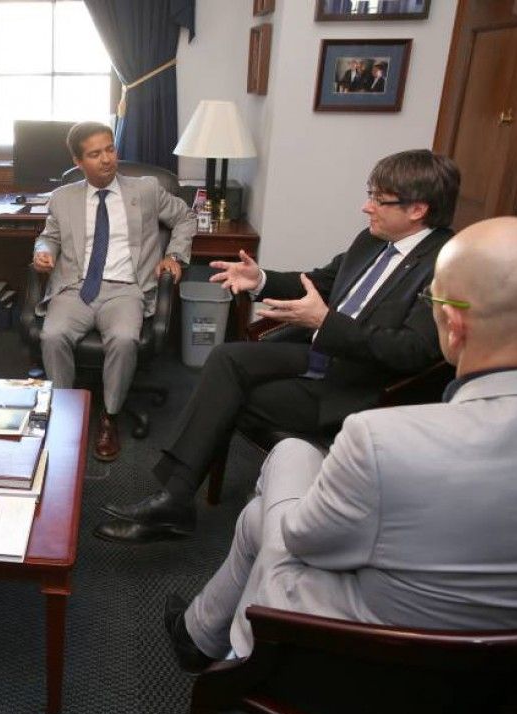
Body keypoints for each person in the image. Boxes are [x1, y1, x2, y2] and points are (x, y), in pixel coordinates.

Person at [164, 217, 517, 673]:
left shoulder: (383, 440)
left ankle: (229, 660)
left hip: (381, 665)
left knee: (289, 465)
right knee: (263, 502)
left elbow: (302, 540)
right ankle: (198, 633)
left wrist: (297, 461)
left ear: (454, 323)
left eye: (434, 301)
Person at [97, 149, 460, 543]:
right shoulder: (373, 241)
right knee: (225, 358)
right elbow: (319, 280)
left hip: (357, 384)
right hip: (320, 353)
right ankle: (175, 499)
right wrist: (261, 279)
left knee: (226, 394)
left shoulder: (448, 263)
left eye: (378, 198)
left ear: (417, 210)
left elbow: (413, 351)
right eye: (369, 193)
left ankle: (174, 502)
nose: (366, 206)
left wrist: (326, 323)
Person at [33, 121, 194, 461]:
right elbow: (49, 235)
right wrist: (42, 252)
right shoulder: (63, 198)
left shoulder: (146, 190)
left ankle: (110, 415)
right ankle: (64, 412)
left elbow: (185, 218)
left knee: (123, 339)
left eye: (110, 149)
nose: (106, 159)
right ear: (78, 162)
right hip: (76, 287)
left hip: (126, 289)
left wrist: (173, 255)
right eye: (95, 154)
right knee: (52, 335)